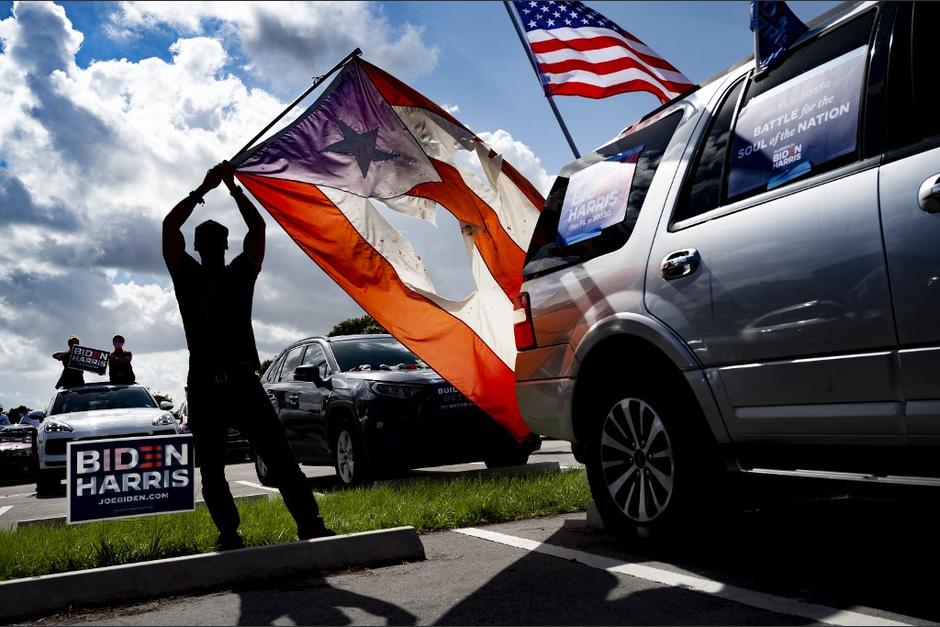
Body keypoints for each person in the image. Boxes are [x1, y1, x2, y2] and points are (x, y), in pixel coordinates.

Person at [163, 162, 333, 550]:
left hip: (238, 380)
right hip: (209, 383)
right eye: (209, 243)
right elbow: (254, 231)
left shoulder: (231, 274)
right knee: (221, 466)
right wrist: (224, 188)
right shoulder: (201, 275)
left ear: (217, 247)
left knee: (275, 456)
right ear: (220, 246)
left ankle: (305, 523)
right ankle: (233, 533)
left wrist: (209, 189)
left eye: (212, 243)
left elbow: (173, 229)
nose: (210, 247)